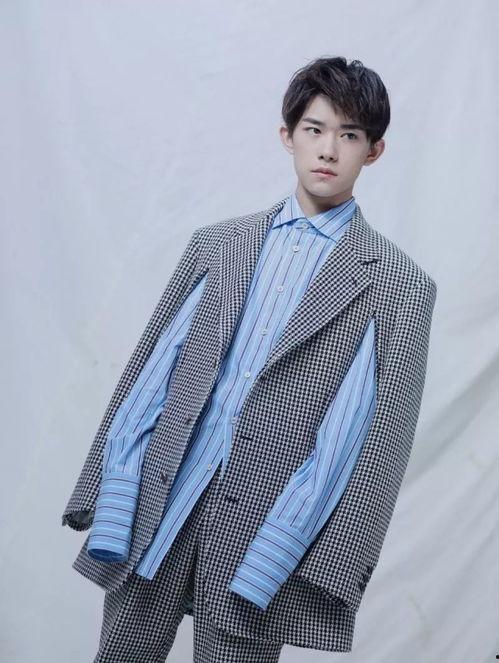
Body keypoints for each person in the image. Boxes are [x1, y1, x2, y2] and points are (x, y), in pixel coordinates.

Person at [62, 56, 437, 660]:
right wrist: (117, 494)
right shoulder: (218, 244)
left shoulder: (398, 285)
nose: (328, 149)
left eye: (349, 135)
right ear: (287, 135)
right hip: (161, 502)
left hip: (264, 533)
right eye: (314, 129)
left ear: (374, 151)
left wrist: (293, 546)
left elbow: (367, 441)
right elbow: (151, 374)